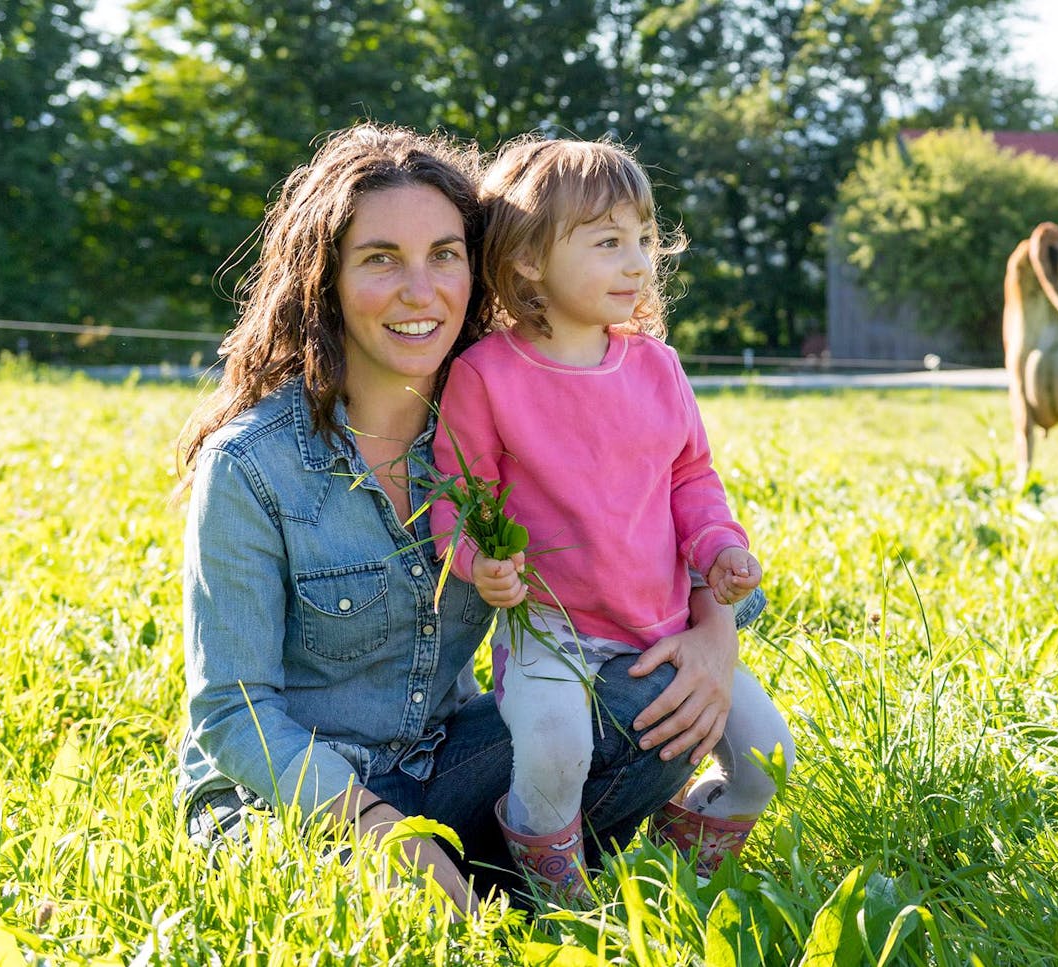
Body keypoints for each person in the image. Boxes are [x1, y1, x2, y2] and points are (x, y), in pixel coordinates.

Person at [174, 123, 763, 915]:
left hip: (439, 763)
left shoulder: (497, 415)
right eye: (382, 258)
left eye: (444, 254)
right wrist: (378, 829)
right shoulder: (251, 467)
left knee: (641, 699)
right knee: (346, 915)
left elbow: (662, 514)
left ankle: (506, 873)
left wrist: (711, 637)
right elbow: (231, 714)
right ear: (326, 280)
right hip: (285, 804)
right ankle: (469, 878)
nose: (422, 290)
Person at [432, 136, 793, 896]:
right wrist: (478, 563)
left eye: (642, 240)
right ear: (529, 258)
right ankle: (555, 889)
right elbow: (458, 495)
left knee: (766, 757)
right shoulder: (487, 375)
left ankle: (669, 864)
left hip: (659, 618)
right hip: (550, 622)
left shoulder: (655, 366)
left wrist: (719, 546)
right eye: (608, 244)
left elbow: (690, 475)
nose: (638, 263)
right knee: (555, 746)